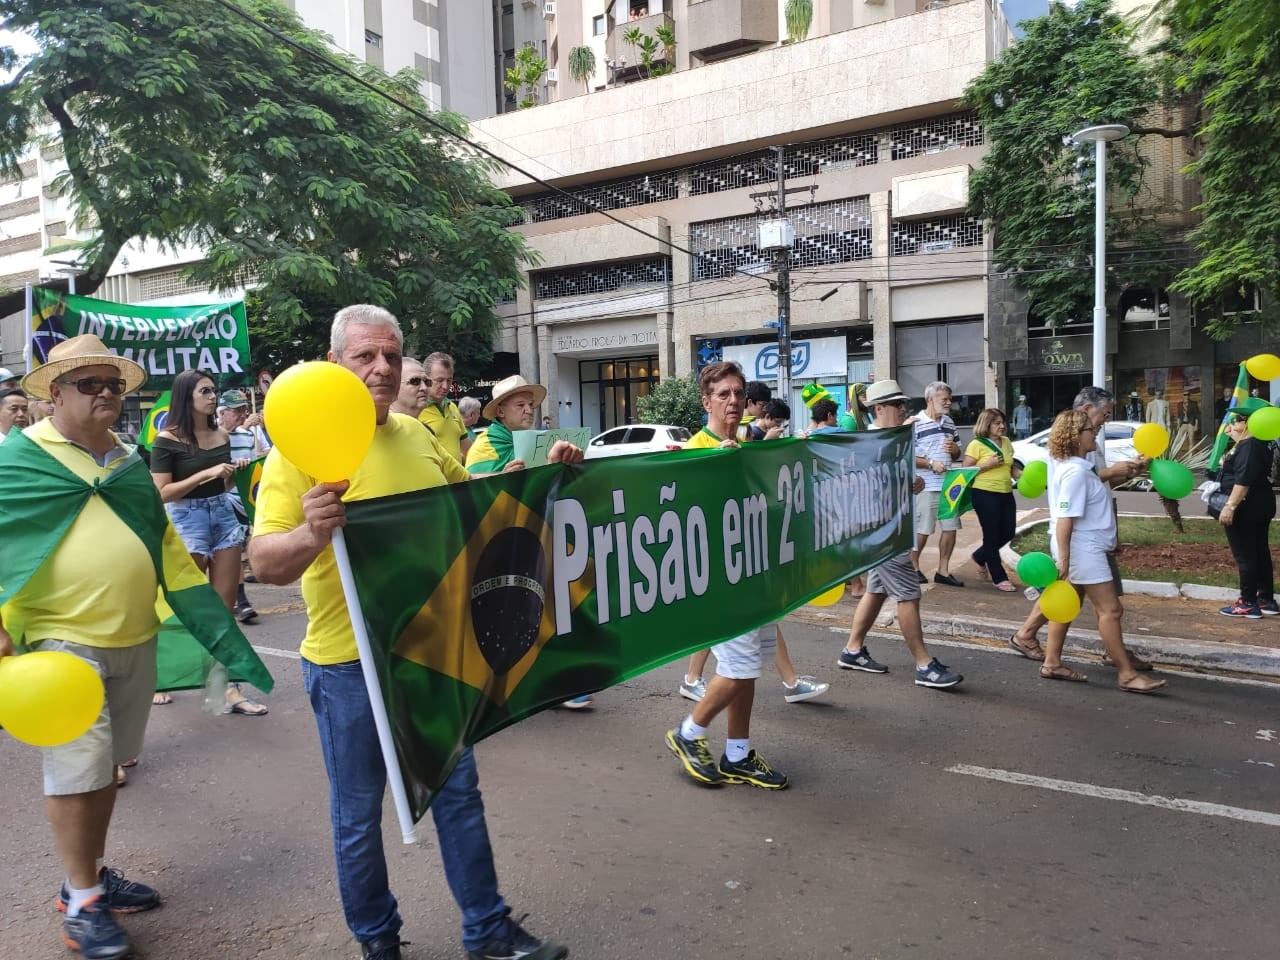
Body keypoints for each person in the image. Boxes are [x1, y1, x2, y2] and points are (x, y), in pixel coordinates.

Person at [250, 305, 569, 960]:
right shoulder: (298, 451)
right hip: (346, 666)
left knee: (460, 799)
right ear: (335, 363)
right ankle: (378, 942)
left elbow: (476, 499)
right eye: (367, 356)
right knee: (358, 820)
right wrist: (312, 531)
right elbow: (264, 564)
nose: (383, 368)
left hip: (432, 653)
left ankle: (488, 930)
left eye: (393, 356)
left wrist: (544, 472)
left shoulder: (419, 433)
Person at [0, 335, 258, 959]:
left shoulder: (124, 459)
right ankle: (84, 901)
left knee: (108, 769)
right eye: (91, 384)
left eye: (115, 385)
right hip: (61, 642)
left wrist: (202, 615)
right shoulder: (19, 458)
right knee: (77, 768)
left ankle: (85, 875)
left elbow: (162, 544)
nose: (108, 394)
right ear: (55, 392)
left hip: (133, 633)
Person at [665, 361, 789, 789]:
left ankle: (738, 753)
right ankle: (689, 733)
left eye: (738, 394)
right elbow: (682, 513)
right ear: (707, 402)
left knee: (750, 666)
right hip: (718, 579)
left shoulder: (752, 446)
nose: (733, 401)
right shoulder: (694, 449)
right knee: (737, 666)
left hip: (754, 572)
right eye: (723, 395)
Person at [150, 369, 267, 716]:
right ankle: (158, 677)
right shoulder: (167, 439)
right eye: (205, 391)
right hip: (187, 521)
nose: (213, 397)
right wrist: (206, 473)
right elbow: (162, 492)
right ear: (187, 396)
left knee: (223, 610)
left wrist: (234, 471)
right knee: (181, 607)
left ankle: (226, 688)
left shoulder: (221, 435)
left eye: (213, 391)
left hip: (223, 518)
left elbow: (224, 486)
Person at [1008, 386, 1149, 665]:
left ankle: (1051, 656)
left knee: (1074, 598)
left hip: (1090, 536)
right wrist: (1065, 556)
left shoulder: (1086, 447)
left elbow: (1097, 487)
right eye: (1104, 415)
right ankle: (1119, 662)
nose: (1103, 423)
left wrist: (1127, 472)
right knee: (1106, 606)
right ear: (1086, 412)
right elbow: (1075, 496)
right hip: (1084, 540)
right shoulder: (1074, 456)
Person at [838, 379, 964, 690]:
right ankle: (924, 665)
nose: (903, 409)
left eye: (903, 404)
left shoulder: (895, 438)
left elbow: (896, 480)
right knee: (909, 593)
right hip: (880, 533)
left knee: (877, 591)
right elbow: (861, 487)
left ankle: (852, 650)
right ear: (878, 408)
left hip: (892, 528)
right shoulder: (867, 443)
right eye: (897, 405)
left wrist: (912, 484)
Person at [1038, 410, 1167, 693]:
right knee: (1110, 609)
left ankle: (1052, 662)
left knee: (1067, 607)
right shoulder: (1075, 472)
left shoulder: (1078, 467)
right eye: (1088, 429)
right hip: (1083, 550)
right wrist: (1065, 559)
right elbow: (1065, 520)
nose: (1094, 430)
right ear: (1075, 436)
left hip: (1085, 547)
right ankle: (1127, 674)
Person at [1215, 397, 1278, 618]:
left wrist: (1230, 506)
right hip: (1262, 503)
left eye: (1239, 418)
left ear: (1252, 422)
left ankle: (1248, 602)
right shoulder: (1261, 443)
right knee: (1259, 550)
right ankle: (1265, 599)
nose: (1234, 422)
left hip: (1246, 506)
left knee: (1245, 554)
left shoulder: (1250, 445)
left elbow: (1243, 480)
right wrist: (1235, 437)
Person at [216, 389, 267, 624]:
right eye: (236, 411)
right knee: (230, 552)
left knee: (235, 551)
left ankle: (239, 600)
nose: (241, 414)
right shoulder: (210, 436)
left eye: (244, 410)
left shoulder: (247, 437)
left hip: (240, 500)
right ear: (222, 412)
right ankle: (240, 601)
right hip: (217, 500)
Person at [912, 380, 964, 586]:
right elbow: (907, 456)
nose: (949, 402)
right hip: (926, 485)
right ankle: (914, 568)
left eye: (950, 399)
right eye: (945, 399)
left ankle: (943, 571)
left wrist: (954, 451)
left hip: (948, 484)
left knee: (951, 528)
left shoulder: (949, 423)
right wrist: (931, 463)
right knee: (923, 530)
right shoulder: (915, 422)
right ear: (930, 399)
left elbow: (958, 451)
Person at [964, 408, 1022, 591]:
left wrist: (1021, 475)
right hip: (984, 493)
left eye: (1002, 422)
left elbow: (1010, 466)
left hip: (1006, 492)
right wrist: (985, 465)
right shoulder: (976, 444)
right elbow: (965, 470)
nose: (1002, 426)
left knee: (1008, 533)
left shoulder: (1006, 442)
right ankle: (999, 577)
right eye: (997, 423)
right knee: (991, 535)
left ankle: (980, 556)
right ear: (986, 424)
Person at [420, 351, 471, 463]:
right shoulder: (415, 410)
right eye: (439, 380)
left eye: (449, 380)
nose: (445, 386)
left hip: (458, 479)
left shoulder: (452, 407)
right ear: (425, 379)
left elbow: (468, 450)